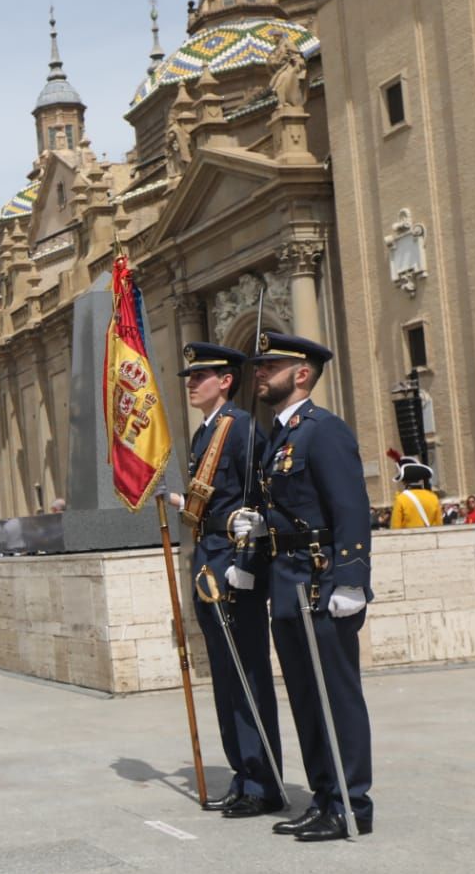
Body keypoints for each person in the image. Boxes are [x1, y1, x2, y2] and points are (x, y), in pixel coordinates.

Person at [231, 332, 373, 842]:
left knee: (336, 697)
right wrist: (260, 525)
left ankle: (351, 803)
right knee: (306, 700)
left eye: (270, 366)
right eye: (259, 367)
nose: (260, 375)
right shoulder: (282, 437)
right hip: (288, 582)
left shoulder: (323, 430)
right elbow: (292, 508)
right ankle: (323, 797)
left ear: (302, 374)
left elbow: (350, 508)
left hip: (321, 581)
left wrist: (352, 578)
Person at [164, 342, 283, 818]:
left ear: (226, 381)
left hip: (231, 562)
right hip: (207, 557)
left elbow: (256, 501)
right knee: (224, 674)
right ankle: (243, 770)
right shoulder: (203, 436)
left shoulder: (241, 430)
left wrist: (247, 562)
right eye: (190, 377)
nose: (192, 384)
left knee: (247, 672)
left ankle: (264, 780)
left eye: (201, 376)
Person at [388, 455, 440, 529]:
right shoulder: (433, 497)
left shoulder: (401, 499)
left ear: (404, 482)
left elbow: (395, 527)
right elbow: (439, 524)